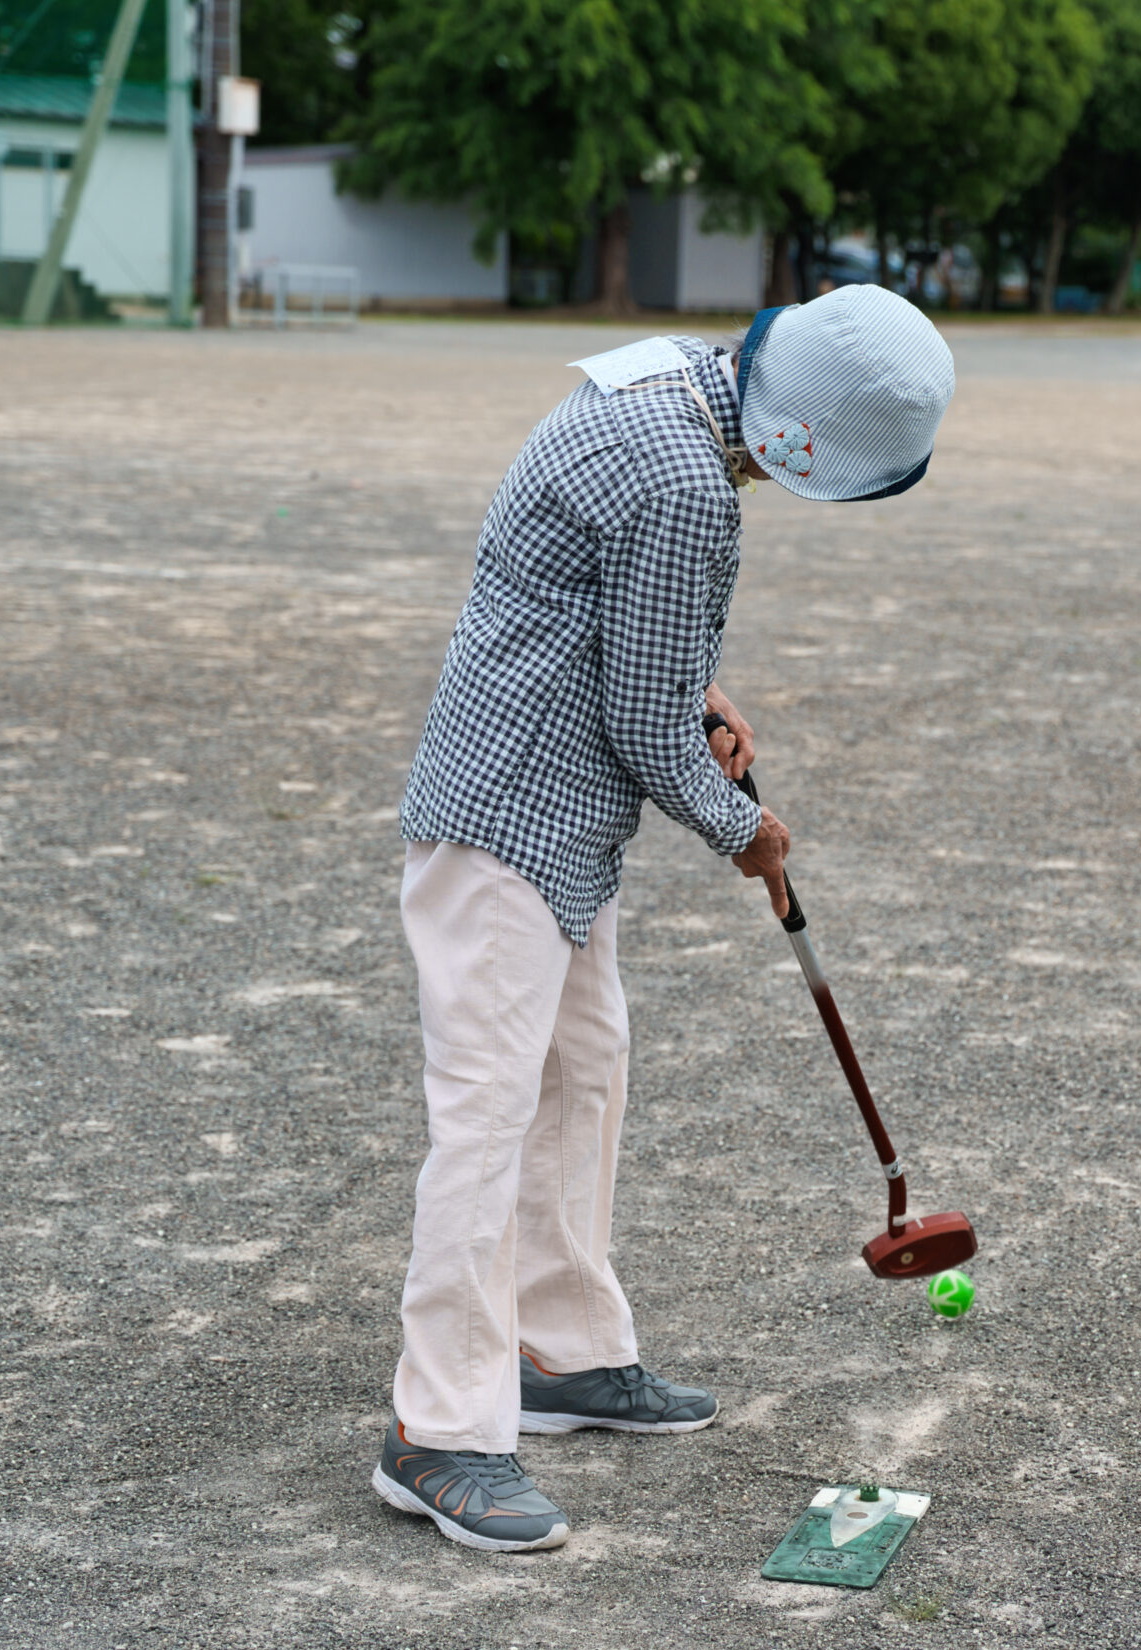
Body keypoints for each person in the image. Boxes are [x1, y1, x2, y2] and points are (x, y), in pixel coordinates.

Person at [374, 287, 956, 1552]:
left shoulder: (667, 383)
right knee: (486, 1116)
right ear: (809, 445)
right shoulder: (686, 484)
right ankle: (440, 1429)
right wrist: (745, 828)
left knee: (583, 1071)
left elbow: (610, 619)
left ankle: (563, 1350)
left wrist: (699, 687)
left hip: (559, 821)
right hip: (506, 817)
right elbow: (644, 724)